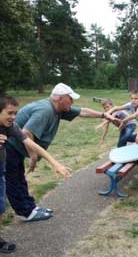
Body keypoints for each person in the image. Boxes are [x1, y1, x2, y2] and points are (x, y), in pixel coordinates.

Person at [5, 83, 115, 222]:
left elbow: (82, 111)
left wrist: (104, 115)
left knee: (19, 178)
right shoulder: (45, 110)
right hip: (9, 147)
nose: (73, 102)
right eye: (70, 98)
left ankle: (30, 208)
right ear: (59, 99)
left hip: (16, 148)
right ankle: (25, 212)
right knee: (14, 181)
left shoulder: (58, 108)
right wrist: (33, 156)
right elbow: (27, 132)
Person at [0, 95, 71, 253]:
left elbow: (30, 143)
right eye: (9, 113)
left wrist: (55, 163)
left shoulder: (11, 127)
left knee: (0, 207)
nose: (13, 117)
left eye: (15, 113)